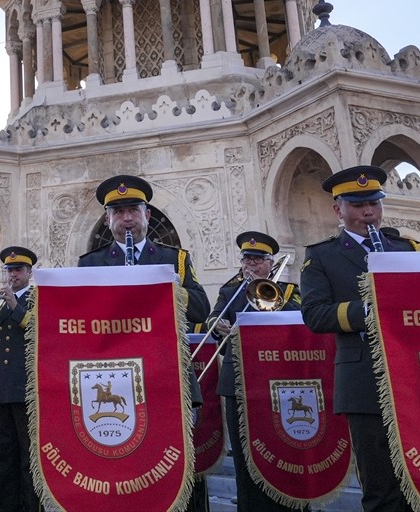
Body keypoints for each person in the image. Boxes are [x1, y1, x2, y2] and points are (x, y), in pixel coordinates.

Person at [300, 166, 419, 512]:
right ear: (338, 210)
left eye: (374, 203)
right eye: (357, 205)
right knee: (381, 485)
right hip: (363, 378)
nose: (368, 212)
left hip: (412, 375)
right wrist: (368, 309)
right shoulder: (322, 255)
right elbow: (315, 314)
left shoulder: (405, 248)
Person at [208, 232, 303, 512]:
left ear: (270, 263)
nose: (251, 264)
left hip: (277, 381)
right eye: (246, 259)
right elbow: (214, 317)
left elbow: (301, 322)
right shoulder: (230, 291)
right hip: (237, 382)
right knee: (244, 453)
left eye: (258, 260)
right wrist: (217, 325)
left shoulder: (287, 291)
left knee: (284, 448)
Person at [77, 175, 210, 324]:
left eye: (134, 209)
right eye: (118, 211)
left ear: (147, 215)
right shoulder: (90, 263)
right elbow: (81, 316)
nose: (127, 218)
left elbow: (202, 311)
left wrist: (174, 290)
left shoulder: (175, 258)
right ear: (108, 220)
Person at [0, 246, 39, 512]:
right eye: (9, 270)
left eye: (18, 270)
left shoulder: (36, 299)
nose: (13, 275)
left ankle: (30, 507)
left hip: (25, 389)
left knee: (27, 457)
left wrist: (15, 305)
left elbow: (41, 331)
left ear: (29, 273)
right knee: (2, 457)